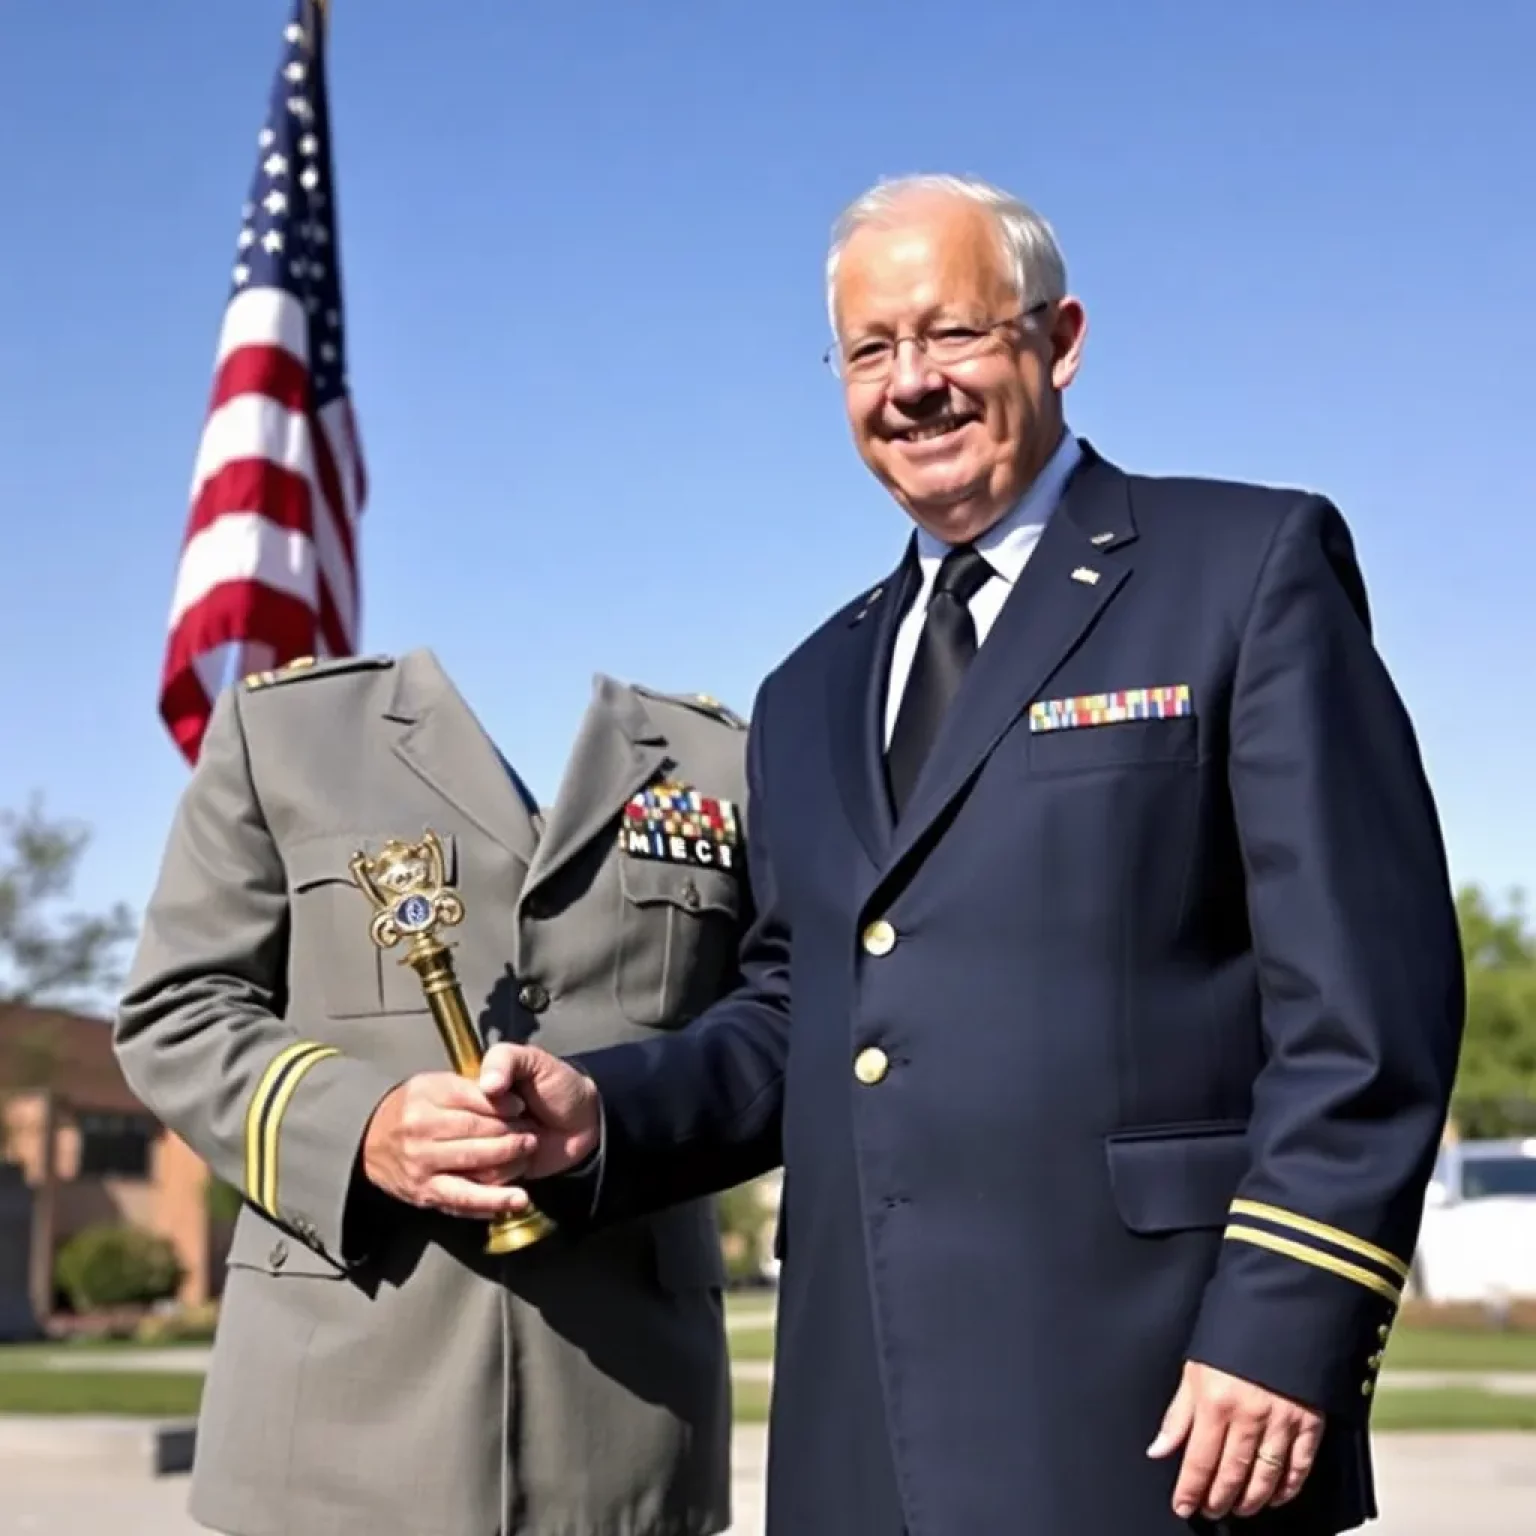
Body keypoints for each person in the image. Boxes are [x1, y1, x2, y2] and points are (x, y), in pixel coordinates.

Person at [477, 175, 1467, 1536]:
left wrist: (1287, 1320)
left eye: (951, 335)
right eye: (871, 349)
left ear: (1057, 341)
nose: (910, 384)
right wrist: (604, 1115)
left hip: (1164, 1407)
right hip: (859, 1427)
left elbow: (1368, 1005)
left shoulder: (1243, 570)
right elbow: (800, 1014)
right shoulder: (810, 686)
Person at [114, 648, 751, 1536]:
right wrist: (359, 1126)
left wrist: (620, 1120)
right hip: (333, 1416)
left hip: (631, 1418)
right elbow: (176, 1012)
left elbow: (778, 1027)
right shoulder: (285, 731)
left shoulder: (720, 758)